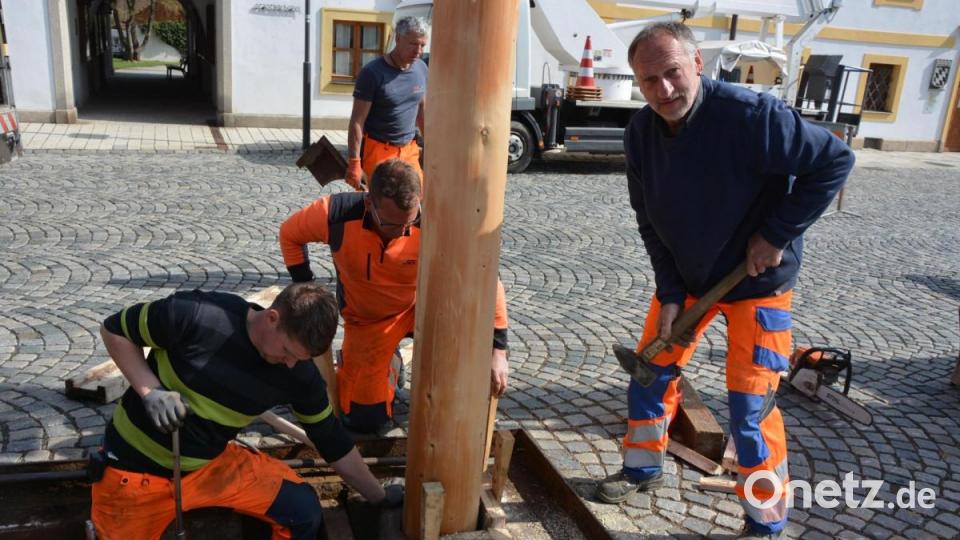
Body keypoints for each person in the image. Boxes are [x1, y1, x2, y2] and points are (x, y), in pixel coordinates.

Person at [597, 22, 854, 540]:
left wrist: (776, 233)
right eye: (649, 81)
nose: (664, 90)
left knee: (750, 412)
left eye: (672, 73)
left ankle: (765, 523)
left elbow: (834, 161)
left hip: (757, 283)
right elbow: (648, 219)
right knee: (649, 372)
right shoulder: (641, 134)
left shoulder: (752, 117)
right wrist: (670, 291)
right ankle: (643, 468)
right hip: (690, 279)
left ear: (697, 64)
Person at [90, 282, 400, 540]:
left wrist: (378, 497)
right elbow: (115, 329)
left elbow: (331, 439)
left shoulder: (297, 372)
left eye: (300, 359)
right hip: (133, 473)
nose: (291, 364)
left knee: (302, 511)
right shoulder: (197, 315)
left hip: (208, 467)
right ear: (272, 318)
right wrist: (150, 390)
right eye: (288, 352)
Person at [280, 158, 509, 434]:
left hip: (426, 308)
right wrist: (306, 286)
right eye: (391, 224)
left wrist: (498, 350)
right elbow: (289, 234)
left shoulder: (436, 221)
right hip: (369, 321)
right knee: (363, 419)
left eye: (409, 222)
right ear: (369, 204)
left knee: (456, 398)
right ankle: (392, 364)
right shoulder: (336, 214)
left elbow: (486, 275)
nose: (402, 232)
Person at [345, 16, 429, 191]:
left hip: (409, 150)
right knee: (380, 206)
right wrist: (354, 162)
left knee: (415, 200)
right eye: (413, 44)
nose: (418, 51)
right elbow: (357, 121)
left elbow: (422, 109)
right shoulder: (372, 73)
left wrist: (430, 145)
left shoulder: (421, 69)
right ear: (398, 38)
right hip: (378, 150)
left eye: (422, 45)